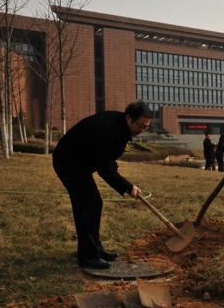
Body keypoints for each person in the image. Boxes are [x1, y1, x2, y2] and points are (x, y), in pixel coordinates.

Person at [52, 101, 151, 269]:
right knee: (92, 202)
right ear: (129, 118)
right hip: (69, 162)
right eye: (140, 126)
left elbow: (104, 155)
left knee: (84, 204)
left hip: (79, 163)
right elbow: (104, 168)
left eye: (146, 128)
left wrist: (112, 165)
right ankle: (88, 257)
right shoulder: (109, 128)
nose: (142, 131)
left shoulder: (118, 125)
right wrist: (129, 187)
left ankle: (94, 250)